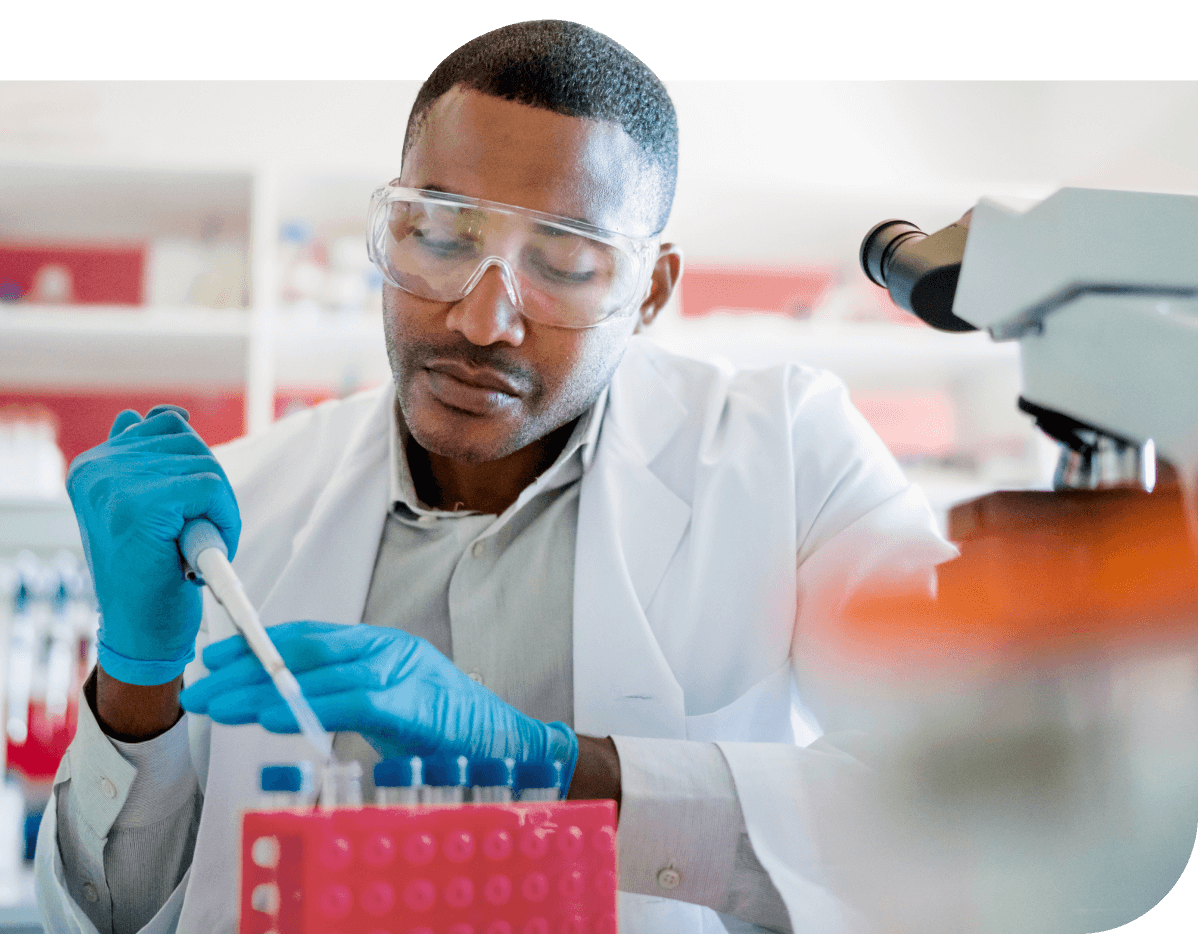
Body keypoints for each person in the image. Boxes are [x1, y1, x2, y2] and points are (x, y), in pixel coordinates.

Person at [37, 22, 955, 934]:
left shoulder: (787, 453)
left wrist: (553, 766)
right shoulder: (245, 505)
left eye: (563, 264)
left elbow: (955, 802)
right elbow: (107, 919)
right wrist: (134, 679)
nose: (481, 320)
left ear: (649, 293)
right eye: (437, 236)